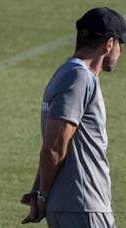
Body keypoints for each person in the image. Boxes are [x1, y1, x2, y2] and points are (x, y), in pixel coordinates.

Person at [21, 7, 126, 227]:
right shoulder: (78, 77)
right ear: (109, 43)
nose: (120, 51)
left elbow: (55, 144)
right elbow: (55, 146)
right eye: (120, 44)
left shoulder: (66, 73)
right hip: (84, 206)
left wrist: (39, 191)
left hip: (72, 206)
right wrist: (41, 195)